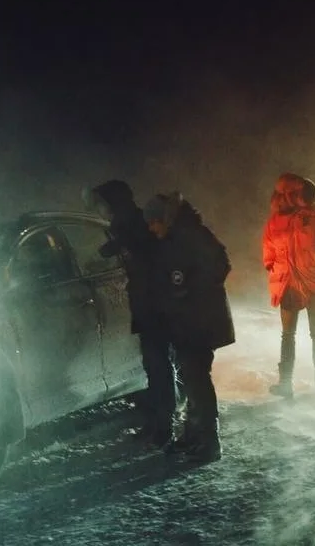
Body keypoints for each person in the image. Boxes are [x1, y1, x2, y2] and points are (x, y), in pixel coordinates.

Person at [143, 191, 234, 463]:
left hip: (200, 321)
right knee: (192, 379)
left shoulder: (192, 235)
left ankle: (209, 441)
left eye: (153, 223)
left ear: (163, 219)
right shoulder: (177, 237)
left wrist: (190, 290)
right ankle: (195, 435)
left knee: (197, 380)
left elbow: (220, 265)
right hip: (188, 321)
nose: (151, 229)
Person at [84, 180, 176, 447]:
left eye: (103, 203)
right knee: (150, 364)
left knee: (158, 364)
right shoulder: (125, 225)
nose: (100, 210)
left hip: (154, 304)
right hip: (145, 302)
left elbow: (141, 252)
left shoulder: (133, 225)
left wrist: (111, 249)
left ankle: (164, 423)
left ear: (114, 203)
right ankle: (156, 420)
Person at [262, 173, 315, 398]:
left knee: (314, 332)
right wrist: (277, 271)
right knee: (292, 334)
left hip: (311, 283)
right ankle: (289, 383)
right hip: (290, 284)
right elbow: (269, 253)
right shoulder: (279, 220)